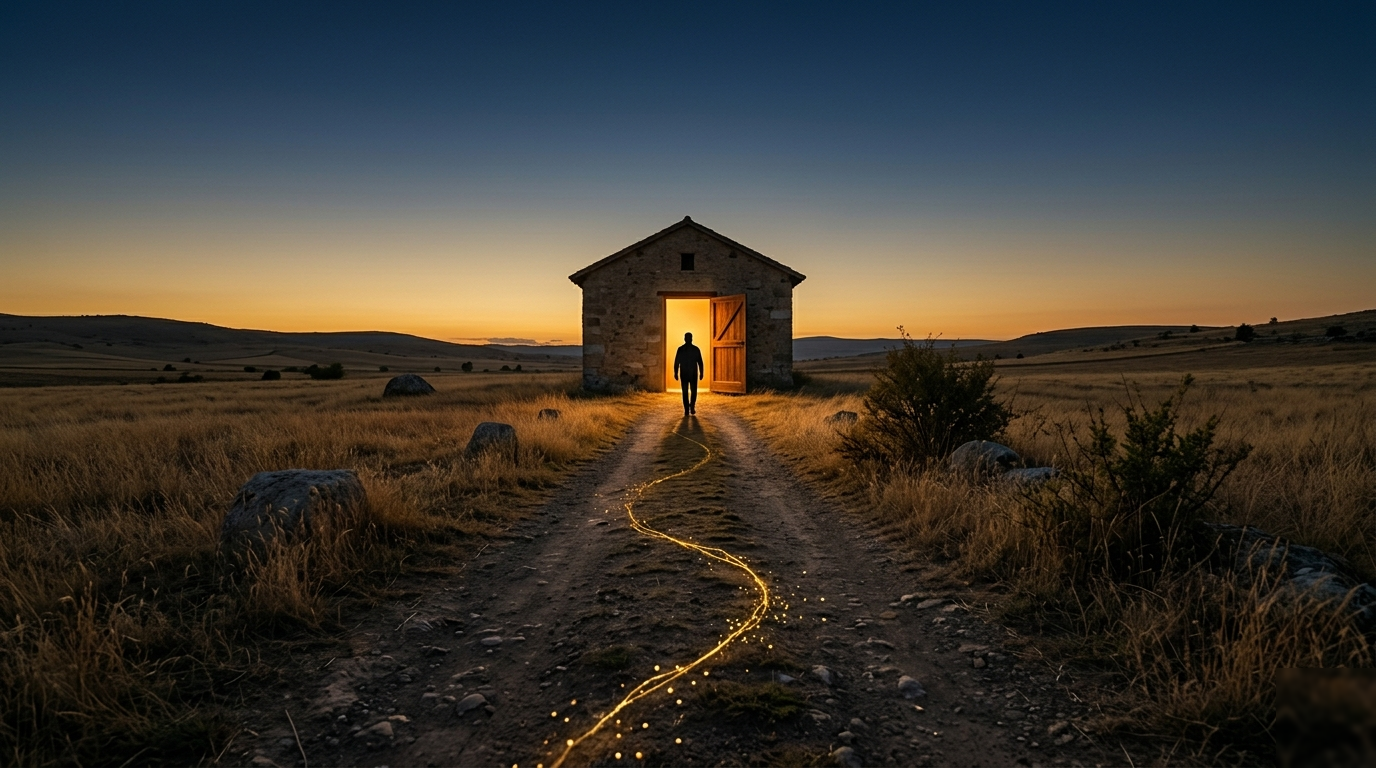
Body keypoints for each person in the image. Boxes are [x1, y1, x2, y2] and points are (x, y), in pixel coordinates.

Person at [673, 332, 704, 416]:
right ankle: (692, 407)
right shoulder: (696, 349)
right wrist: (701, 373)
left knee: (685, 391)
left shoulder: (680, 349)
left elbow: (677, 362)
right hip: (693, 373)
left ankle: (687, 409)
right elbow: (700, 362)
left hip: (684, 373)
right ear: (692, 338)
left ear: (684, 339)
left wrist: (676, 372)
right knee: (693, 391)